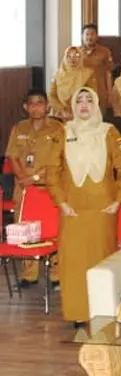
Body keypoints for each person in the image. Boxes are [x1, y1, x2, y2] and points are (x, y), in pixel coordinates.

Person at [49, 87, 121, 324]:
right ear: (73, 105)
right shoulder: (63, 132)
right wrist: (61, 202)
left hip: (102, 209)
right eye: (79, 100)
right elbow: (52, 172)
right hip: (72, 210)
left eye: (89, 100)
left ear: (96, 104)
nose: (84, 105)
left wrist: (118, 200)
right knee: (73, 263)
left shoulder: (109, 132)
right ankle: (77, 313)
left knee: (101, 261)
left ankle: (102, 311)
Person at [5, 89, 65, 285]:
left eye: (40, 102)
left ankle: (56, 273)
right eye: (32, 103)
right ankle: (28, 274)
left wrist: (37, 177)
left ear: (47, 105)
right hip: (24, 188)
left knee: (54, 229)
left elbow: (60, 160)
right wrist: (24, 179)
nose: (36, 107)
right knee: (25, 229)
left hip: (50, 186)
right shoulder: (19, 128)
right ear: (26, 107)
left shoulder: (58, 129)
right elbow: (12, 156)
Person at [49, 46, 97, 120]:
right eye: (69, 56)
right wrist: (62, 110)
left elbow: (93, 95)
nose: (72, 58)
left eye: (76, 55)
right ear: (65, 57)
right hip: (59, 114)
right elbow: (51, 95)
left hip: (81, 114)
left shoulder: (88, 74)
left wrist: (75, 112)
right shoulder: (57, 74)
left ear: (81, 57)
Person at [79, 24, 114, 112]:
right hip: (81, 92)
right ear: (82, 36)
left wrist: (109, 93)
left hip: (100, 92)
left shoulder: (104, 51)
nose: (89, 37)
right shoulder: (76, 52)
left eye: (92, 34)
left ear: (97, 36)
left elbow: (108, 73)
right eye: (87, 34)